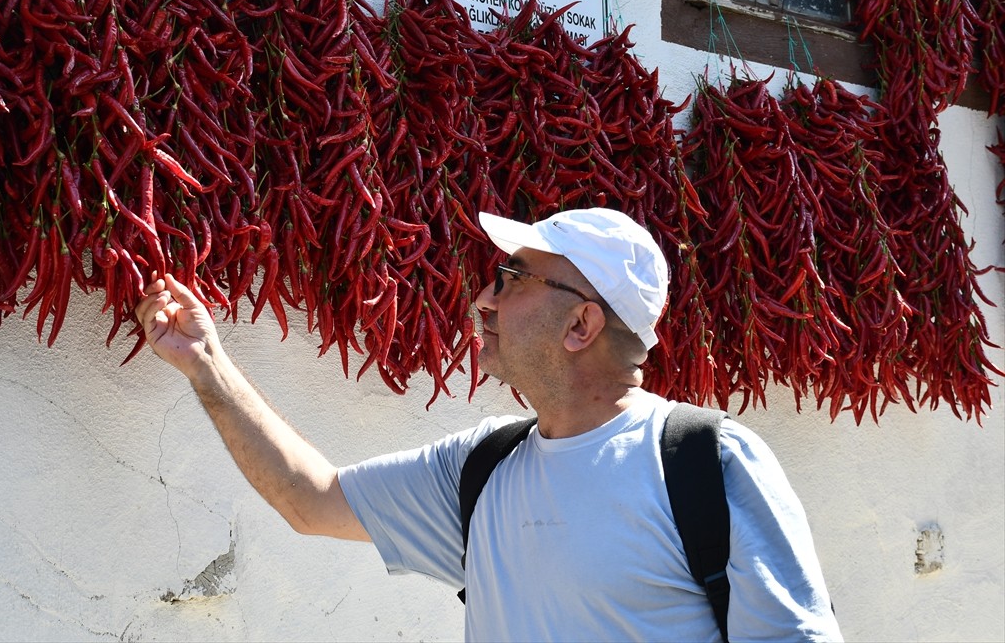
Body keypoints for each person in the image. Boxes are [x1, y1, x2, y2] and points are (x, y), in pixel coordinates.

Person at [136, 207, 843, 642]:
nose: (482, 297)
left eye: (511, 278)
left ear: (581, 323)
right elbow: (310, 498)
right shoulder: (480, 472)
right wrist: (207, 365)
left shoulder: (704, 465)